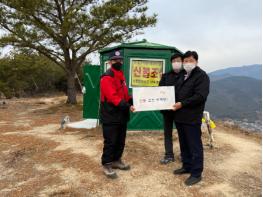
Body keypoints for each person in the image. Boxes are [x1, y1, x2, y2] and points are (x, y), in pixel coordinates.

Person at [172, 51, 210, 186]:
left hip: (192, 117)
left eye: (190, 60)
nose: (187, 63)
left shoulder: (202, 76)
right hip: (180, 116)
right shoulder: (182, 75)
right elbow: (175, 92)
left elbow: (200, 96)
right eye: (185, 60)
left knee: (195, 145)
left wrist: (182, 104)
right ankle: (186, 166)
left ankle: (196, 173)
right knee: (184, 143)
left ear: (196, 61)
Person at [100, 50, 135, 179]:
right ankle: (107, 164)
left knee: (120, 140)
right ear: (110, 62)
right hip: (110, 114)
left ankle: (116, 160)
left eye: (120, 60)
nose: (118, 62)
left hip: (121, 113)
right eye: (115, 60)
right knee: (110, 141)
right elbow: (113, 97)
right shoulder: (107, 77)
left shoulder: (121, 75)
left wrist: (132, 99)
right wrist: (128, 105)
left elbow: (124, 95)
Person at [159, 53, 183, 164]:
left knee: (183, 132)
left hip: (181, 110)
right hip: (167, 110)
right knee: (167, 133)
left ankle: (184, 154)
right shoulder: (165, 76)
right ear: (171, 63)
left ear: (182, 62)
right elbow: (159, 90)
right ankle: (169, 155)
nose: (176, 63)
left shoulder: (186, 75)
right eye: (174, 61)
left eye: (178, 60)